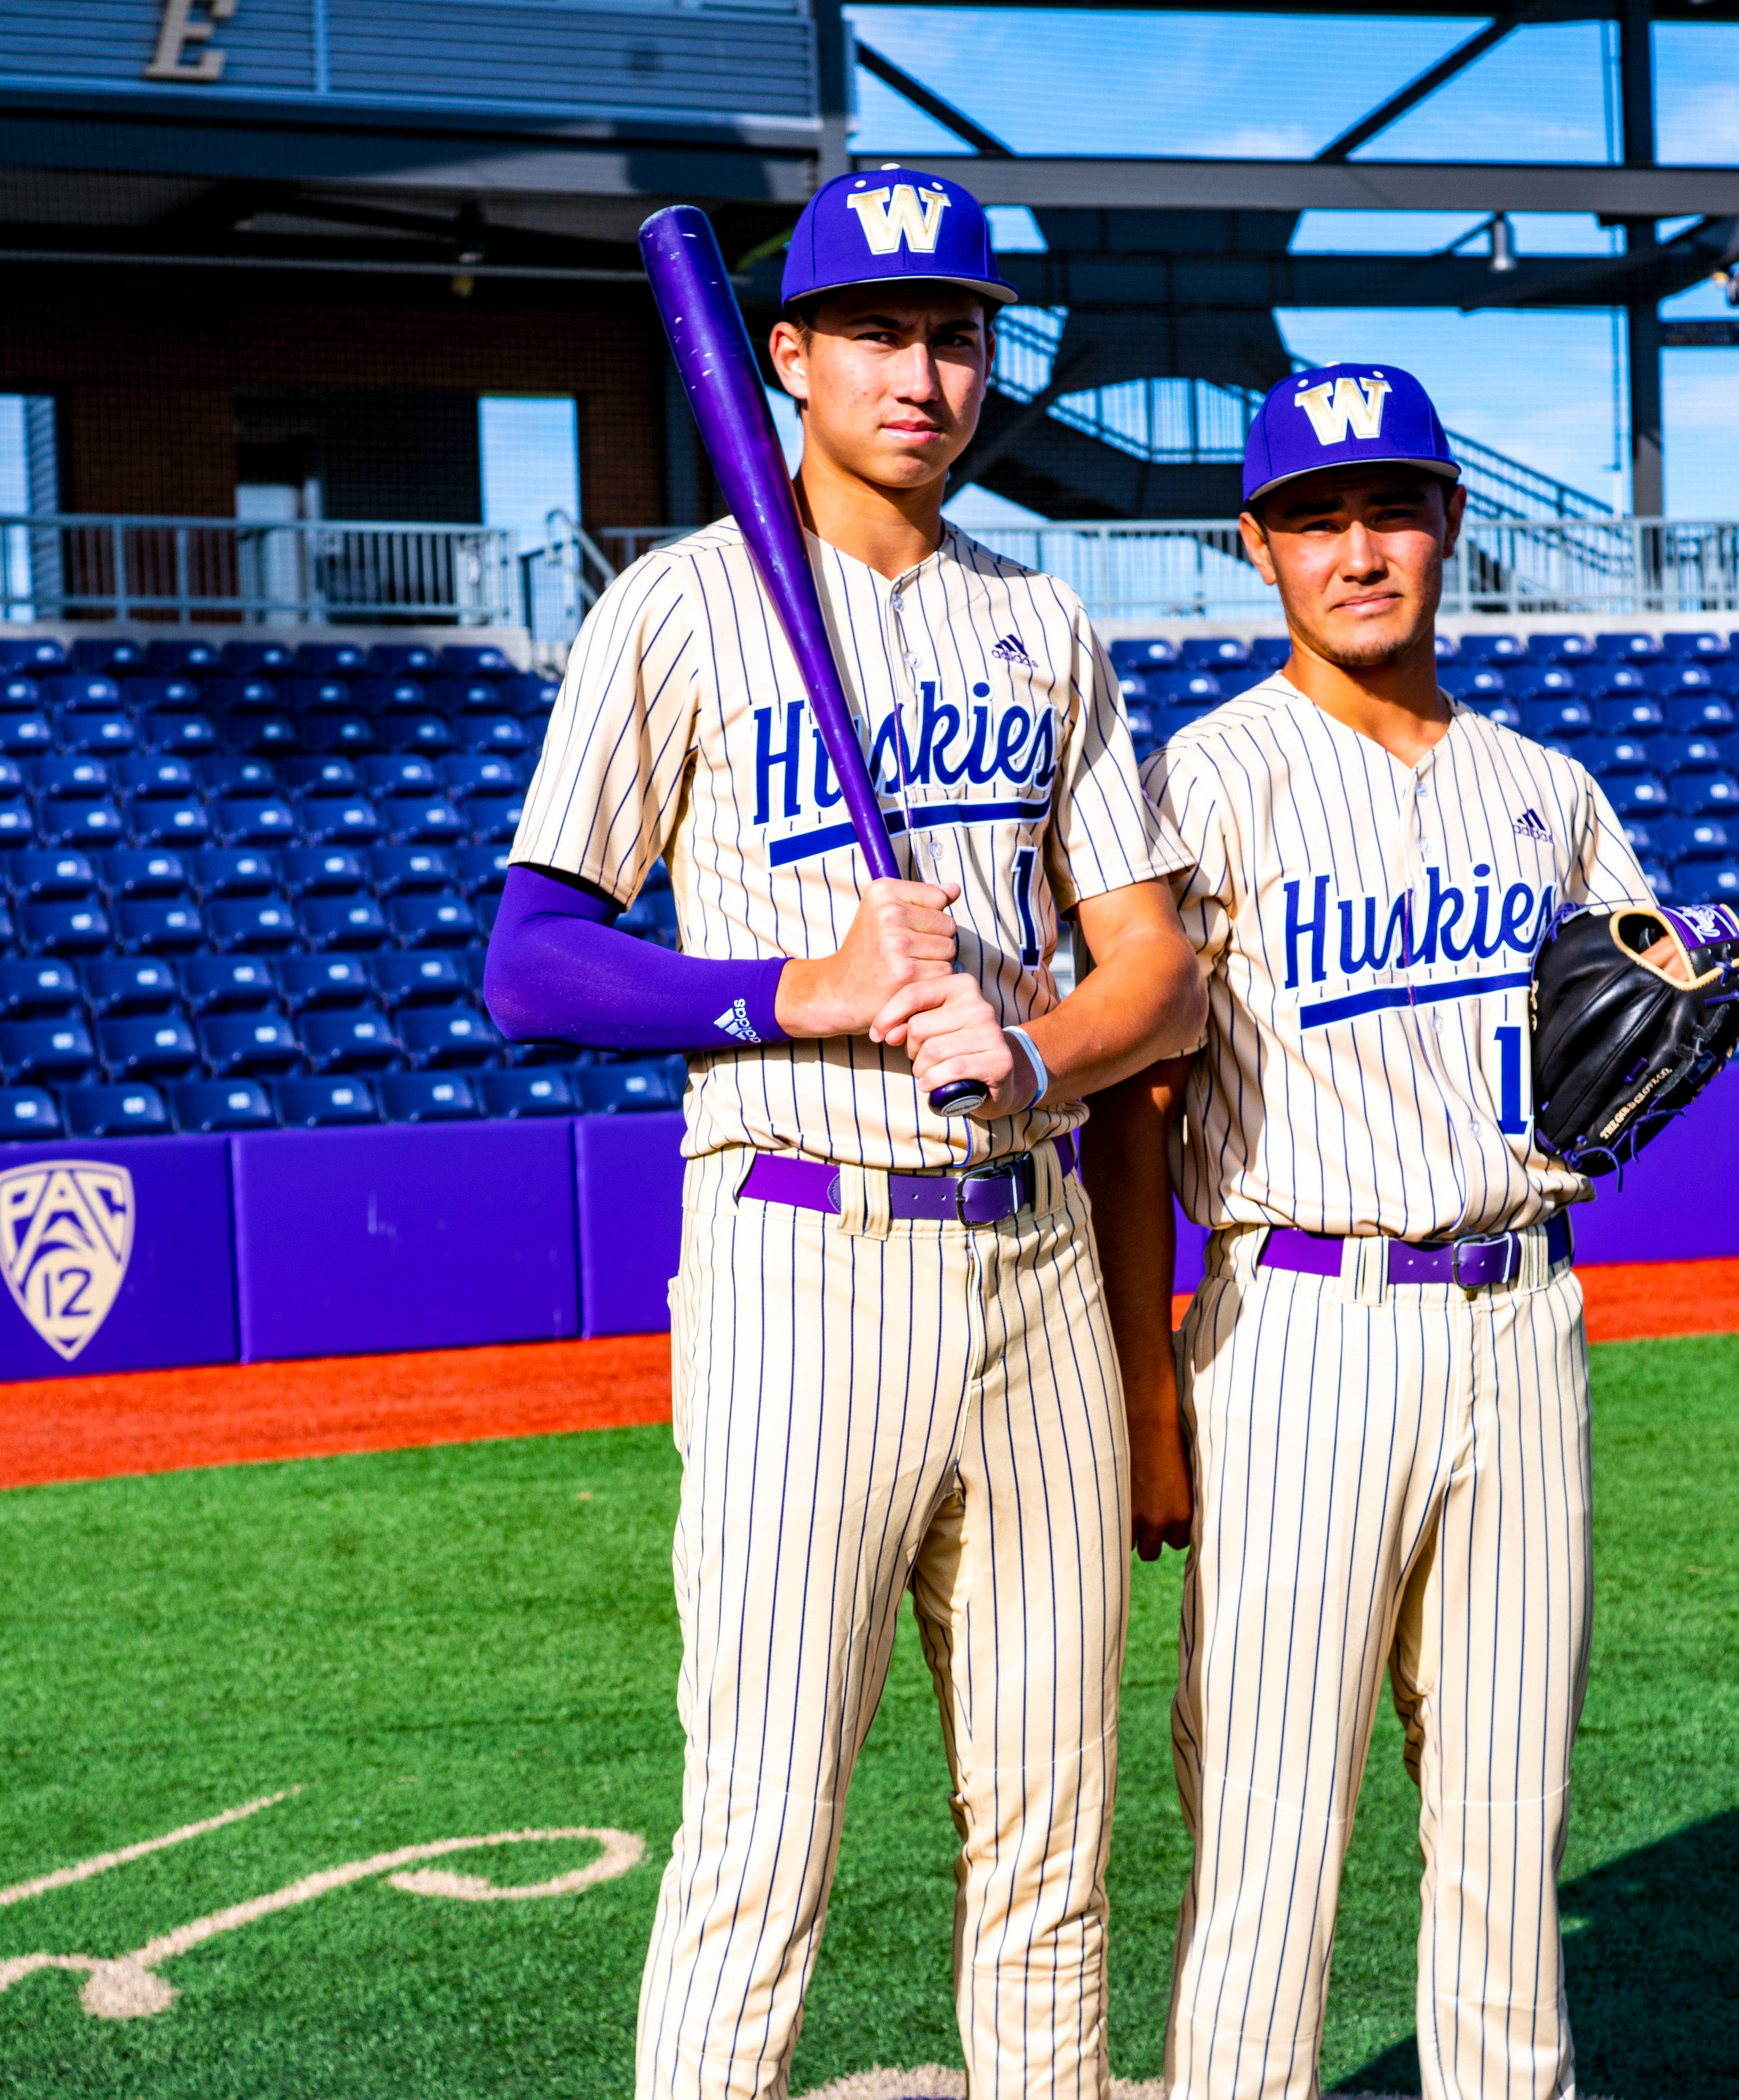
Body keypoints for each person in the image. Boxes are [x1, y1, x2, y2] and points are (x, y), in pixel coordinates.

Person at [485, 167, 1205, 2100]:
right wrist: (789, 986)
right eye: (877, 329)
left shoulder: (1042, 621)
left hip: (1036, 1263)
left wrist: (1040, 1052)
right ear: (785, 355)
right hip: (806, 1252)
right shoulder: (678, 608)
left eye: (956, 331)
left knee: (1053, 1845)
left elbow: (1158, 975)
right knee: (763, 1832)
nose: (922, 368)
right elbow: (533, 960)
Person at [1080, 362, 1739, 2100]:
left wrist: (1730, 961)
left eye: (1391, 509)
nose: (1360, 549)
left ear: (1450, 523)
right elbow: (1136, 1106)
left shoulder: (1543, 788)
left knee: (1505, 1813)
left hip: (1520, 1323)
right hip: (1295, 1327)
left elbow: (1637, 1005)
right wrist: (1149, 1408)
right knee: (1264, 1819)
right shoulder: (1203, 782)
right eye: (1315, 519)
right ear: (1257, 547)